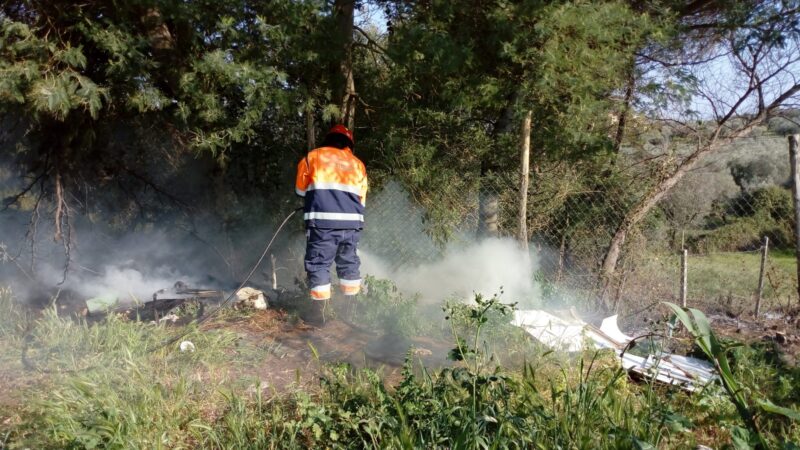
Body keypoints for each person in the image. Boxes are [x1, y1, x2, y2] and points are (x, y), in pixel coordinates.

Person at [295, 124, 368, 315]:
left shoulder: (313, 157)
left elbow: (300, 190)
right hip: (352, 225)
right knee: (349, 264)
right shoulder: (358, 164)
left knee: (319, 264)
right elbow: (362, 199)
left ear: (328, 140)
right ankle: (350, 312)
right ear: (349, 144)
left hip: (322, 224)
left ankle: (320, 316)